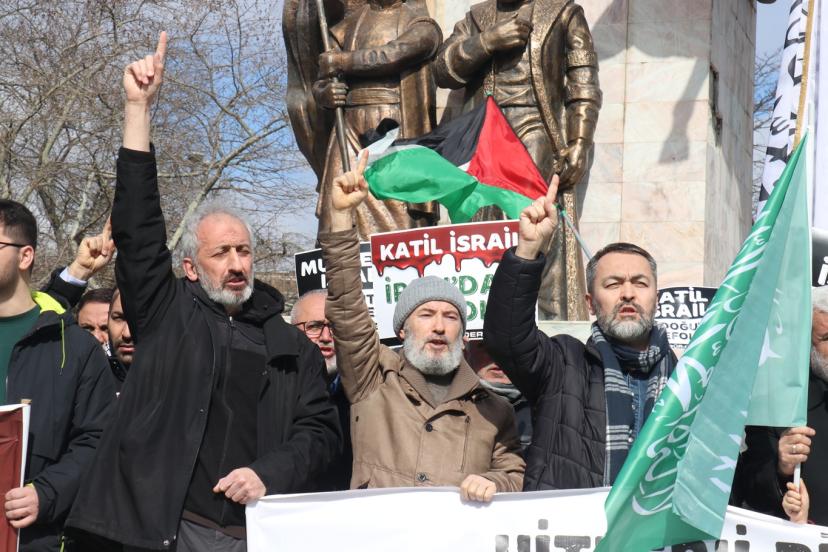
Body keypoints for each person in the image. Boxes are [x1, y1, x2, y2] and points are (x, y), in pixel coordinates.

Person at [66, 33, 341, 551]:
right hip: (159, 530)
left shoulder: (290, 346)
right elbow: (138, 229)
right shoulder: (166, 315)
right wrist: (138, 110)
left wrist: (268, 473)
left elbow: (320, 433)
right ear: (190, 267)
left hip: (249, 533)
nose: (237, 264)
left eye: (244, 251)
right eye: (222, 253)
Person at [319, 152, 524, 502]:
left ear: (463, 334)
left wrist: (495, 483)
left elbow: (513, 473)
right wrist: (339, 218)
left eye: (451, 317)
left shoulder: (493, 408)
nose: (439, 327)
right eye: (426, 315)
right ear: (402, 329)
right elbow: (347, 307)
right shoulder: (373, 377)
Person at [483, 177, 675, 490]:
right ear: (590, 303)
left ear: (656, 298)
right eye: (613, 284)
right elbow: (506, 338)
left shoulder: (689, 379)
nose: (628, 293)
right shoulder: (563, 364)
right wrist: (528, 251)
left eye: (640, 283)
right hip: (574, 523)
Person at [433, 0, 602, 320]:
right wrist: (487, 42)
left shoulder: (564, 12)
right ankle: (481, 319)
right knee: (481, 231)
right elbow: (442, 69)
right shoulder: (476, 17)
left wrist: (580, 140)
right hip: (483, 134)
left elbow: (584, 82)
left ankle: (547, 320)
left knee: (535, 226)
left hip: (535, 128)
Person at [0, 199, 114, 551]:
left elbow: (97, 440)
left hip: (32, 537)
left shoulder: (75, 348)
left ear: (25, 256)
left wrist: (46, 493)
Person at [311, 0, 442, 236]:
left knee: (398, 218)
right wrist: (325, 94)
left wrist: (341, 61)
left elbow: (393, 54)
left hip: (394, 128)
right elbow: (322, 79)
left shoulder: (422, 25)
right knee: (337, 211)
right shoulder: (345, 28)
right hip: (348, 128)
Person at [736, 286, 828, 525]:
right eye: (826, 338)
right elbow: (750, 489)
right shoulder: (780, 401)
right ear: (806, 344)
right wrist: (781, 466)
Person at [290, 289, 352, 490]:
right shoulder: (276, 391)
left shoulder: (364, 395)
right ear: (291, 331)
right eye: (314, 327)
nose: (326, 337)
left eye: (335, 327)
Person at [467, 341, 533, 455]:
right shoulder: (448, 405)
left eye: (508, 345)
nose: (497, 356)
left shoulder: (548, 406)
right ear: (466, 353)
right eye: (484, 346)